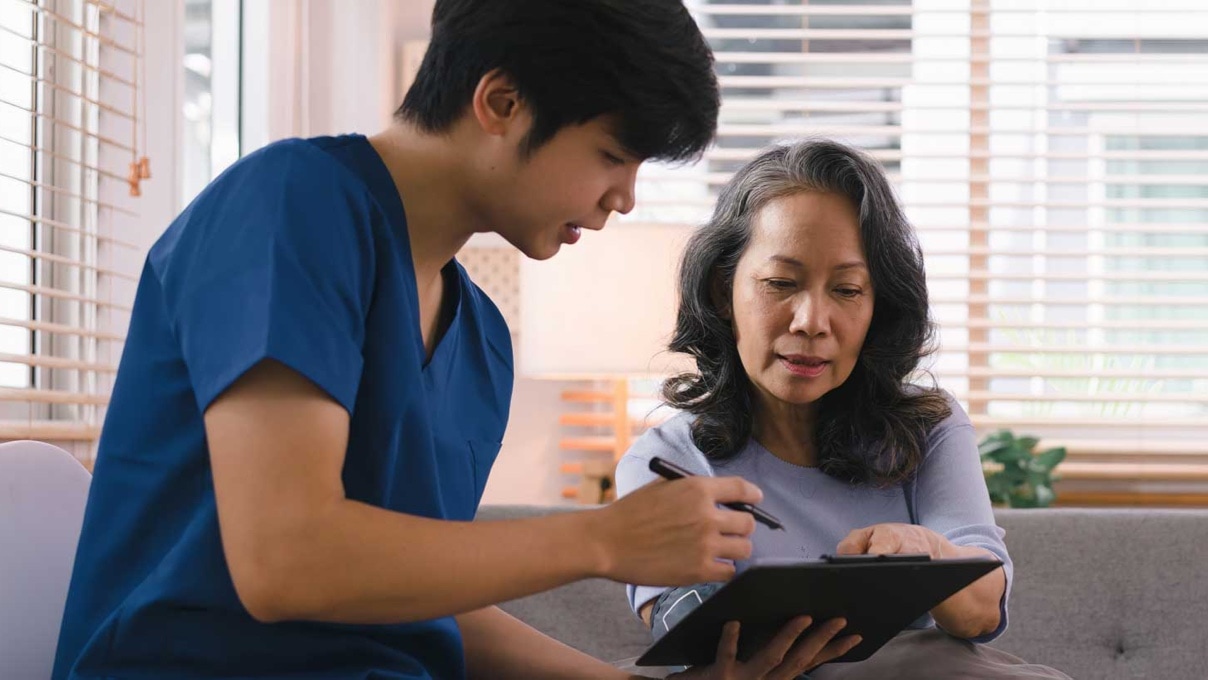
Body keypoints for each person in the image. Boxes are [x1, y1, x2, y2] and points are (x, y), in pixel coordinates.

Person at [50, 2, 861, 679]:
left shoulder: (481, 338)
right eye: (612, 155)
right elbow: (286, 563)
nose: (622, 197)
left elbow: (414, 596)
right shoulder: (291, 207)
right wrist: (604, 539)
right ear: (501, 104)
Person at [616, 140, 1073, 679]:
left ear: (878, 306)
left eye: (848, 290)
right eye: (780, 284)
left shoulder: (929, 426)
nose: (812, 321)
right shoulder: (665, 460)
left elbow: (979, 612)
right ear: (723, 290)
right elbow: (685, 631)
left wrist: (924, 551)